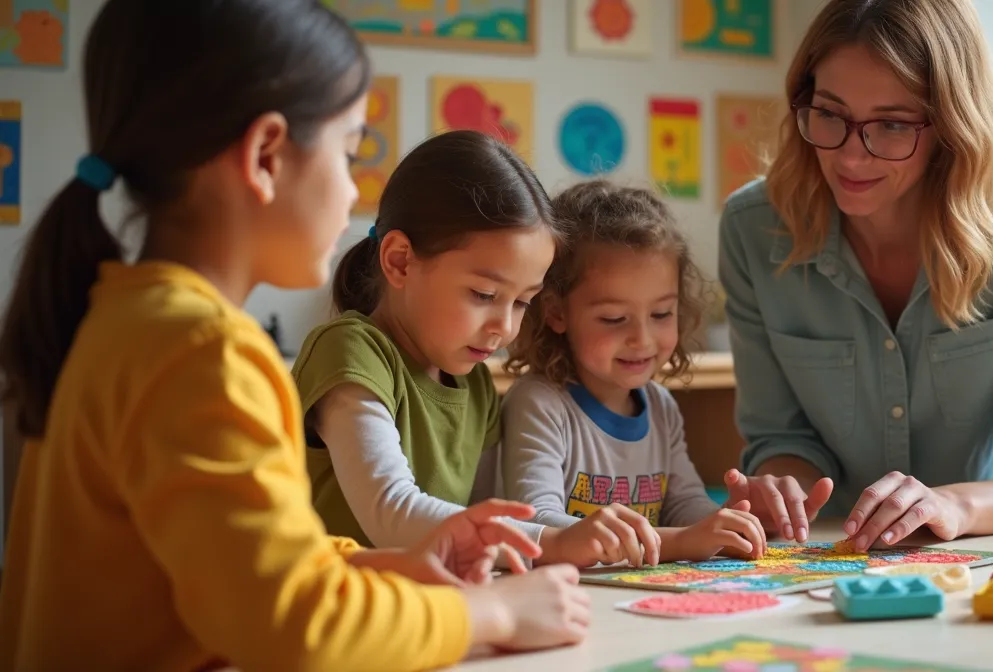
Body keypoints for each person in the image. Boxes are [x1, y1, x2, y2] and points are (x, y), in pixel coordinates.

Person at [0, 2, 588, 669]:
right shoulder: (203, 353)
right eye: (349, 151)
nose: (351, 192)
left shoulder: (126, 319)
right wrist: (492, 612)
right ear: (265, 155)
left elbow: (246, 560)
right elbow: (295, 624)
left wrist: (387, 566)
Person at [718, 0, 993, 552]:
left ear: (953, 123)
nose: (851, 156)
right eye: (829, 113)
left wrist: (954, 505)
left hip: (980, 552)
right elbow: (782, 438)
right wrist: (784, 487)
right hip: (829, 560)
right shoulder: (752, 228)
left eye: (893, 125)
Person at [293, 131, 643, 569]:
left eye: (522, 302)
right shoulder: (349, 350)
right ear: (400, 260)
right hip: (335, 607)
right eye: (483, 294)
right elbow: (391, 511)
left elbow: (481, 524)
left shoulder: (475, 384)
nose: (505, 327)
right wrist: (554, 542)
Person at [498, 180, 767, 566]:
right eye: (614, 318)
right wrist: (681, 542)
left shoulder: (660, 406)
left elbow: (684, 501)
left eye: (661, 314)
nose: (642, 339)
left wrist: (730, 523)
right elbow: (537, 524)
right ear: (557, 312)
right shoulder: (539, 403)